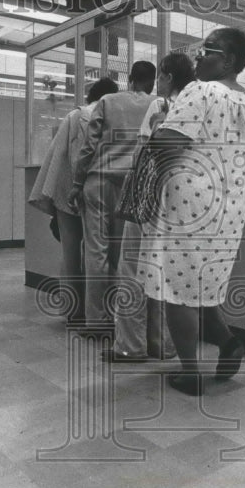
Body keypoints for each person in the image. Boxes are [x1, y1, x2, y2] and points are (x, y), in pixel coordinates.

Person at [138, 28, 245, 395]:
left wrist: (156, 129)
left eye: (207, 51)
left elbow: (168, 143)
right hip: (229, 209)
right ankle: (229, 342)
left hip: (189, 206)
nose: (197, 58)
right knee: (202, 287)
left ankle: (190, 372)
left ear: (229, 61)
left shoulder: (199, 91)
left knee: (175, 290)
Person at [101, 53, 196, 363]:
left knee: (131, 269)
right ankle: (165, 346)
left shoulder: (162, 105)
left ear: (166, 77)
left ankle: (130, 345)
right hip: (181, 201)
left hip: (150, 197)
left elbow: (144, 150)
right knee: (167, 273)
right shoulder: (198, 105)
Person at [69, 62, 157, 334]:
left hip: (98, 181)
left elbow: (88, 146)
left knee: (96, 251)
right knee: (123, 256)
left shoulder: (107, 101)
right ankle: (121, 322)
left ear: (130, 79)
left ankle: (96, 322)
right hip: (132, 185)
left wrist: (76, 183)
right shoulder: (159, 105)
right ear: (153, 81)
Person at [29, 77, 118, 324]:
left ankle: (73, 312)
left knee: (70, 256)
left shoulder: (75, 116)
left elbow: (58, 158)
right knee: (99, 254)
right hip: (100, 194)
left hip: (68, 194)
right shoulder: (115, 118)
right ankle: (101, 313)